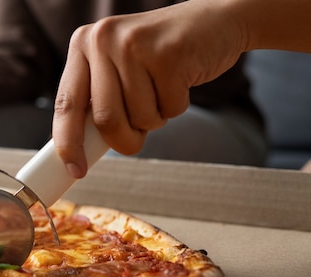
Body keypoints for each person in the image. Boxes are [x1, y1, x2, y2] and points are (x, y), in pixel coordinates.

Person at [0, 0, 267, 166]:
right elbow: (14, 63)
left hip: (199, 112)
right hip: (63, 114)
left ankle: (109, 263)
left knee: (126, 143)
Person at [46, 0, 311, 178]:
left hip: (213, 104)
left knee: (119, 159)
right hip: (68, 104)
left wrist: (234, 18)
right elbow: (14, 54)